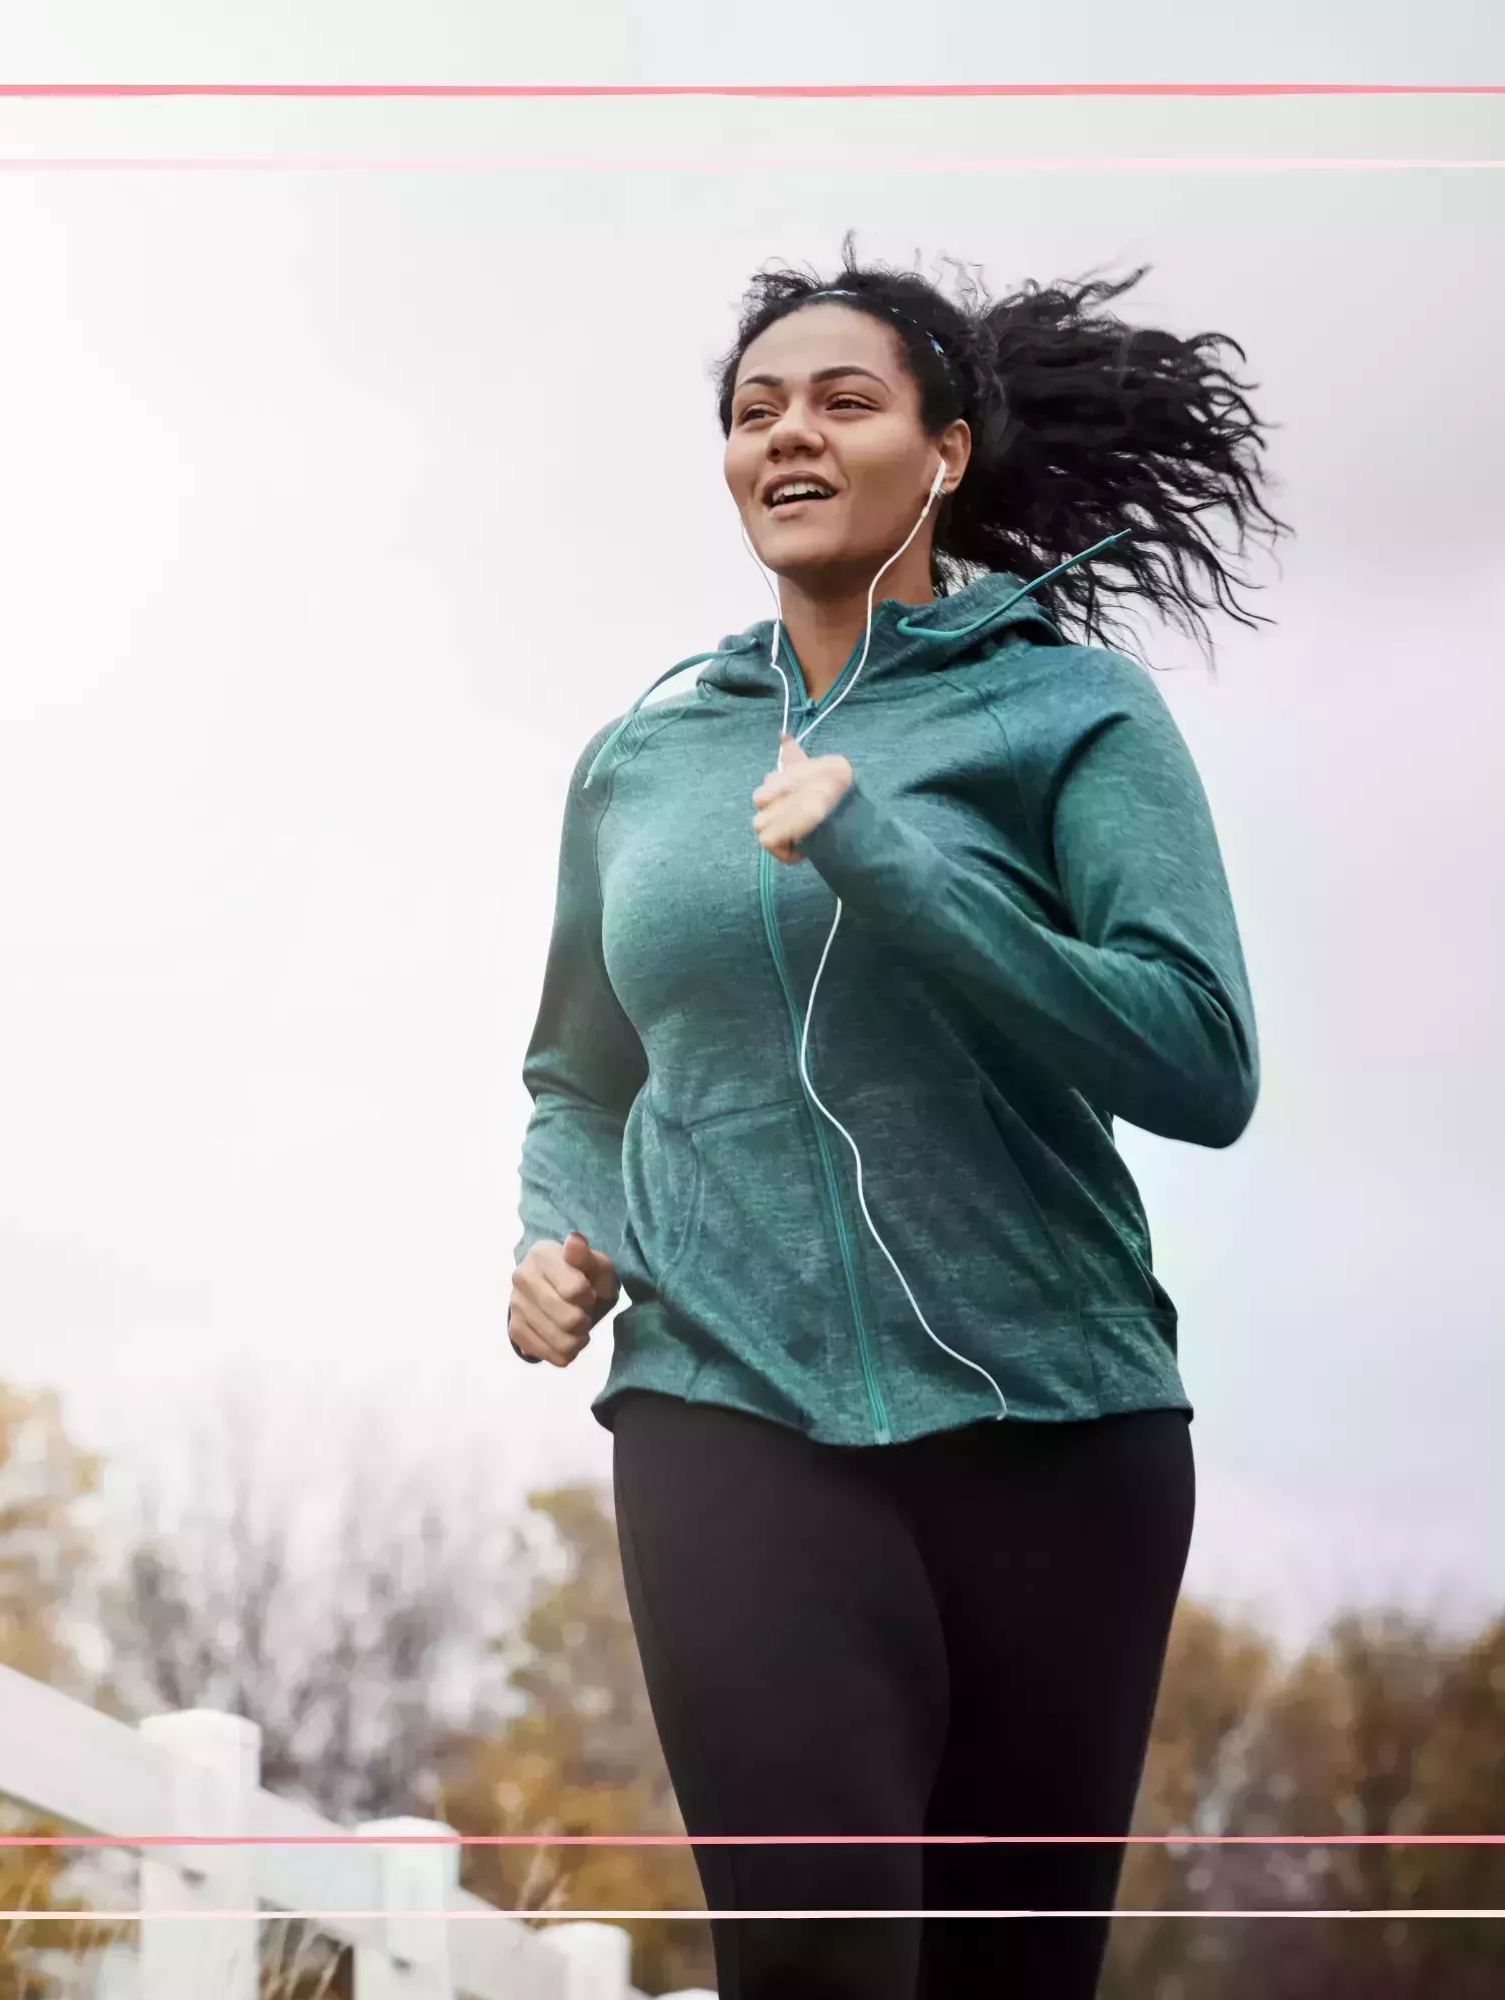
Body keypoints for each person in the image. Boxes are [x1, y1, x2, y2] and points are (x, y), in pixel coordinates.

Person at [505, 241, 1290, 2000]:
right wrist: (557, 1239)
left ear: (942, 452)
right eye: (751, 410)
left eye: (842, 400)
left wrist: (896, 862)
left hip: (1057, 1425)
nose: (786, 434)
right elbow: (583, 1074)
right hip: (728, 1398)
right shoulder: (646, 758)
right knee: (818, 1964)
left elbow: (1200, 1060)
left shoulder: (1071, 709)